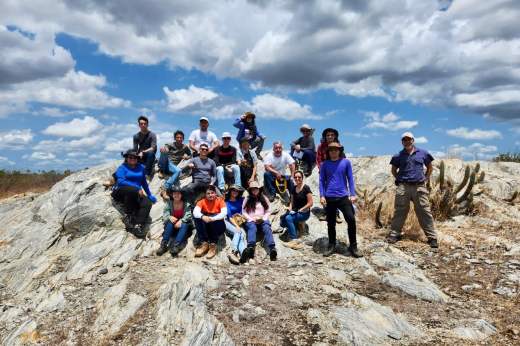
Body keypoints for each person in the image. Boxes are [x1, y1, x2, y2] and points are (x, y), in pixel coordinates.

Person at [388, 132, 438, 248]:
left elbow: (430, 167)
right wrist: (400, 180)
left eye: (409, 139)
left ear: (413, 140)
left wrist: (425, 179)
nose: (407, 142)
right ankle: (395, 233)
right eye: (404, 140)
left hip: (419, 187)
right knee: (400, 210)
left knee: (424, 211)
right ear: (402, 142)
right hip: (403, 187)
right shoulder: (398, 156)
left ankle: (432, 237)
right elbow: (393, 170)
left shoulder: (423, 153)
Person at [319, 143, 362, 258]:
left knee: (351, 220)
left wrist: (352, 195)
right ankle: (332, 245)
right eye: (331, 150)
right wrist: (321, 196)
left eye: (336, 150)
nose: (333, 151)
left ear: (339, 151)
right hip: (330, 197)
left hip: (343, 197)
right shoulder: (325, 164)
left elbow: (350, 179)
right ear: (328, 152)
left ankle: (353, 245)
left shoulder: (346, 162)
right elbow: (321, 180)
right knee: (331, 223)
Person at [111, 149, 157, 238]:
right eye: (130, 157)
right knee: (132, 190)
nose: (133, 159)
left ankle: (138, 226)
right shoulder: (122, 168)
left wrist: (149, 194)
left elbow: (143, 181)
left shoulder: (141, 167)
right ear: (127, 158)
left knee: (147, 204)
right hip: (120, 192)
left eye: (135, 158)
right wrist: (137, 187)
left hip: (134, 193)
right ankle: (128, 216)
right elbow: (120, 181)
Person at [242, 181, 277, 261]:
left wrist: (263, 218)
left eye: (256, 189)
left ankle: (272, 248)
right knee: (252, 227)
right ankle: (251, 247)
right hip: (251, 220)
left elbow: (268, 210)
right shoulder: (247, 199)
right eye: (253, 189)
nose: (254, 190)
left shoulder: (264, 198)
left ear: (259, 189)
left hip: (262, 219)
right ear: (250, 190)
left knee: (266, 227)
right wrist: (251, 219)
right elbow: (244, 212)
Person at [316, 128, 345, 223]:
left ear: (335, 136)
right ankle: (326, 213)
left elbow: (342, 158)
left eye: (332, 135)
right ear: (325, 136)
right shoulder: (321, 146)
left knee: (336, 192)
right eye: (328, 135)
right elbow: (318, 158)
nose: (330, 137)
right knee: (325, 191)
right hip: (325, 171)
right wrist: (322, 169)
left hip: (335, 172)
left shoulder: (338, 146)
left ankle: (336, 214)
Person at [157, 186, 194, 256]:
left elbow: (188, 216)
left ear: (181, 195)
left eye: (178, 193)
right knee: (170, 222)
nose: (177, 195)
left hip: (184, 228)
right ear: (172, 195)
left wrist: (181, 221)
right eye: (175, 193)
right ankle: (164, 244)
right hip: (172, 227)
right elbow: (164, 218)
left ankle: (176, 245)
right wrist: (169, 217)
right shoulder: (168, 204)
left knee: (184, 224)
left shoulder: (186, 204)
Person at [280, 171, 313, 250]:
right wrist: (289, 209)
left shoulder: (306, 188)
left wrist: (301, 209)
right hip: (295, 211)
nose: (297, 179)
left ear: (302, 178)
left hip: (304, 213)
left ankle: (294, 240)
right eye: (296, 177)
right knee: (282, 223)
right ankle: (297, 224)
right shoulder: (293, 188)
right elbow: (292, 202)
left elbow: (310, 203)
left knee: (288, 218)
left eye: (299, 177)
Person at [193, 185, 227, 259]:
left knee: (215, 216)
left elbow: (224, 213)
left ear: (215, 193)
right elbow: (195, 212)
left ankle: (213, 245)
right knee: (198, 218)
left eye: (212, 193)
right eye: (208, 193)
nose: (210, 195)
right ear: (206, 194)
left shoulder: (220, 201)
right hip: (207, 225)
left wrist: (213, 218)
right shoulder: (202, 202)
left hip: (218, 226)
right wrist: (203, 216)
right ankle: (204, 244)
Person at [224, 185, 249, 264]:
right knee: (237, 231)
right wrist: (237, 226)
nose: (235, 192)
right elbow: (229, 217)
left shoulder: (241, 200)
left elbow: (249, 201)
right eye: (233, 190)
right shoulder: (227, 203)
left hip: (239, 222)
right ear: (230, 192)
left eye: (237, 191)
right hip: (229, 222)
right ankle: (233, 251)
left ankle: (243, 253)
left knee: (241, 236)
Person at [133, 116, 157, 180]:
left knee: (150, 153)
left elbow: (153, 147)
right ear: (139, 125)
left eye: (145, 124)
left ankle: (147, 175)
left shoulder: (152, 134)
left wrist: (143, 152)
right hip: (140, 155)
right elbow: (135, 149)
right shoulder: (136, 136)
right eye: (141, 124)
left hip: (149, 155)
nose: (143, 125)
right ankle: (114, 177)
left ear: (147, 125)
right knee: (129, 155)